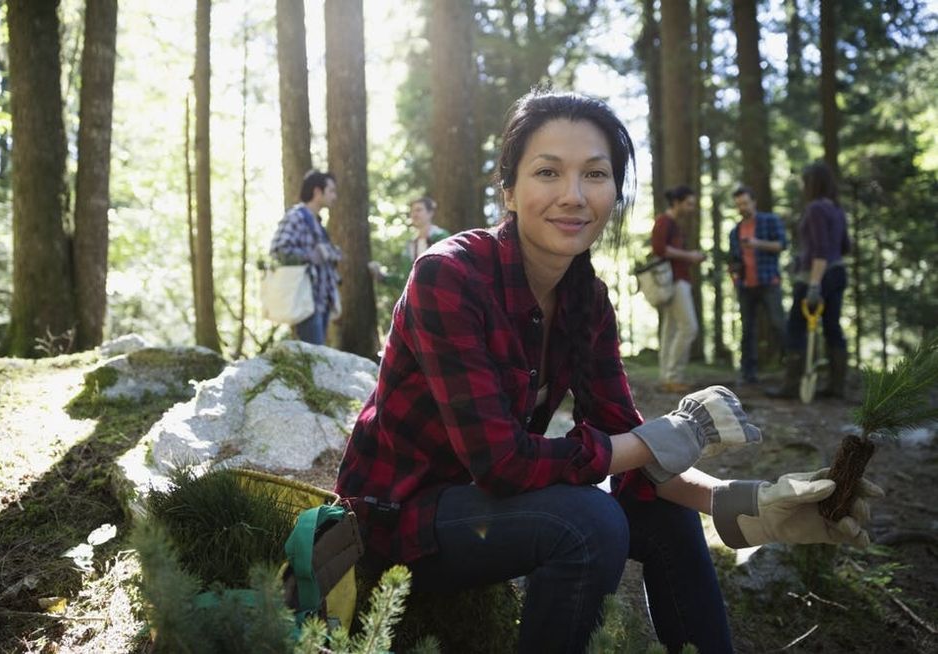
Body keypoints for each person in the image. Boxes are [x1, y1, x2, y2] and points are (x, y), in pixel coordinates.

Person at [335, 90, 879, 653]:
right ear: (509, 189)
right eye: (548, 171)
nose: (573, 196)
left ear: (614, 192)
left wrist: (748, 504)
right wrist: (656, 440)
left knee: (663, 519)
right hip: (395, 522)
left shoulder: (586, 301)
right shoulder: (448, 276)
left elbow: (630, 444)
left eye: (595, 174)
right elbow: (501, 464)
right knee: (589, 521)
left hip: (491, 515)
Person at [769, 162, 851, 400]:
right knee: (833, 328)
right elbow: (844, 246)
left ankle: (792, 386)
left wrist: (814, 284)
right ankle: (837, 387)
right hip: (837, 273)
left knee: (796, 328)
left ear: (812, 184)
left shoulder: (815, 209)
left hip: (815, 277)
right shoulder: (836, 209)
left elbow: (821, 251)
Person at [269, 170, 342, 345]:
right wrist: (309, 256)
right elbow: (278, 250)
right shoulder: (296, 217)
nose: (334, 196)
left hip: (321, 301)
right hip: (306, 301)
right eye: (331, 190)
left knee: (317, 355)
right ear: (317, 192)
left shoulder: (316, 222)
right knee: (313, 356)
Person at [728, 185, 787, 385]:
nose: (742, 207)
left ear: (754, 201)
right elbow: (733, 259)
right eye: (738, 205)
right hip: (746, 286)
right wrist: (735, 276)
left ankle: (791, 368)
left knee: (779, 325)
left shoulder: (770, 221)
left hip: (769, 281)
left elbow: (781, 245)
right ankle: (748, 374)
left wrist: (757, 243)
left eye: (745, 203)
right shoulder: (735, 231)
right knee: (748, 331)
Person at [651, 185, 707, 393]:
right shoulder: (664, 221)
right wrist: (690, 256)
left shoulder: (673, 223)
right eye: (689, 203)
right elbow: (659, 249)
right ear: (677, 202)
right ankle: (673, 376)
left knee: (672, 328)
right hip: (673, 281)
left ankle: (668, 377)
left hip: (678, 279)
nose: (691, 208)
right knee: (688, 327)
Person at [368, 196, 451, 285]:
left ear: (430, 213)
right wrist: (382, 277)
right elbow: (406, 280)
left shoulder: (442, 237)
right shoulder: (411, 244)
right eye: (412, 211)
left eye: (419, 210)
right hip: (416, 297)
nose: (414, 214)